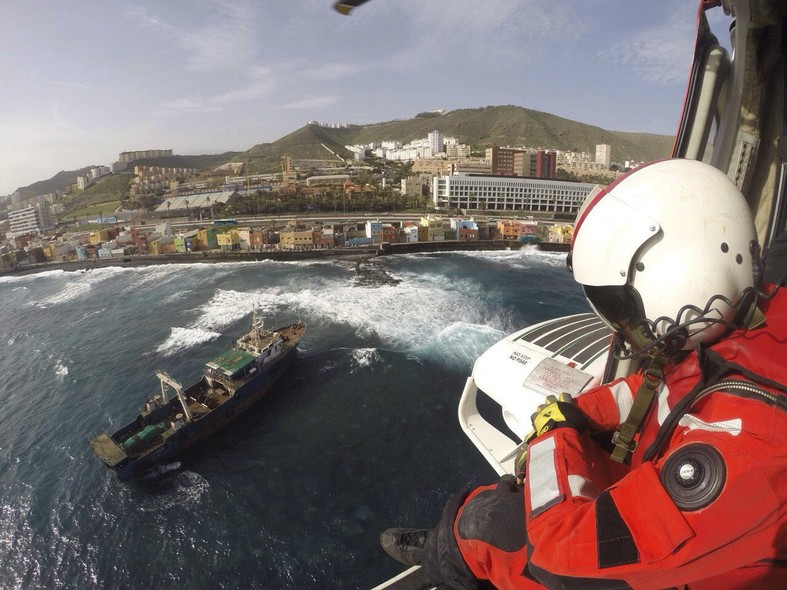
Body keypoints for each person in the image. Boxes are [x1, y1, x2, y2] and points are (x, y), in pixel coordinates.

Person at [380, 159, 787, 589]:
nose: (623, 328)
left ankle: (450, 555)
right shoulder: (741, 342)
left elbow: (565, 547)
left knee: (500, 533)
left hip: (693, 574)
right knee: (504, 511)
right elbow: (661, 392)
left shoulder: (752, 449)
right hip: (683, 534)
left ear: (687, 276)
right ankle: (450, 549)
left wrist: (553, 437)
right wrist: (574, 412)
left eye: (623, 308)